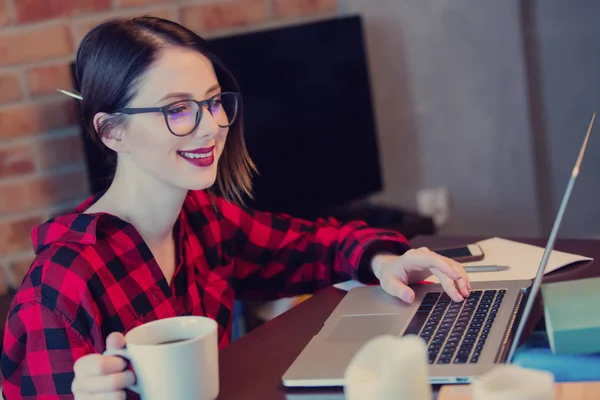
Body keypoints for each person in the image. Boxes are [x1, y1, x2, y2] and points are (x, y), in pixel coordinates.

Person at [0, 16, 470, 400]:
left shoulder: (204, 221)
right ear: (111, 131)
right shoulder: (60, 286)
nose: (211, 128)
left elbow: (312, 245)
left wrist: (385, 260)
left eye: (213, 102)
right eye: (177, 110)